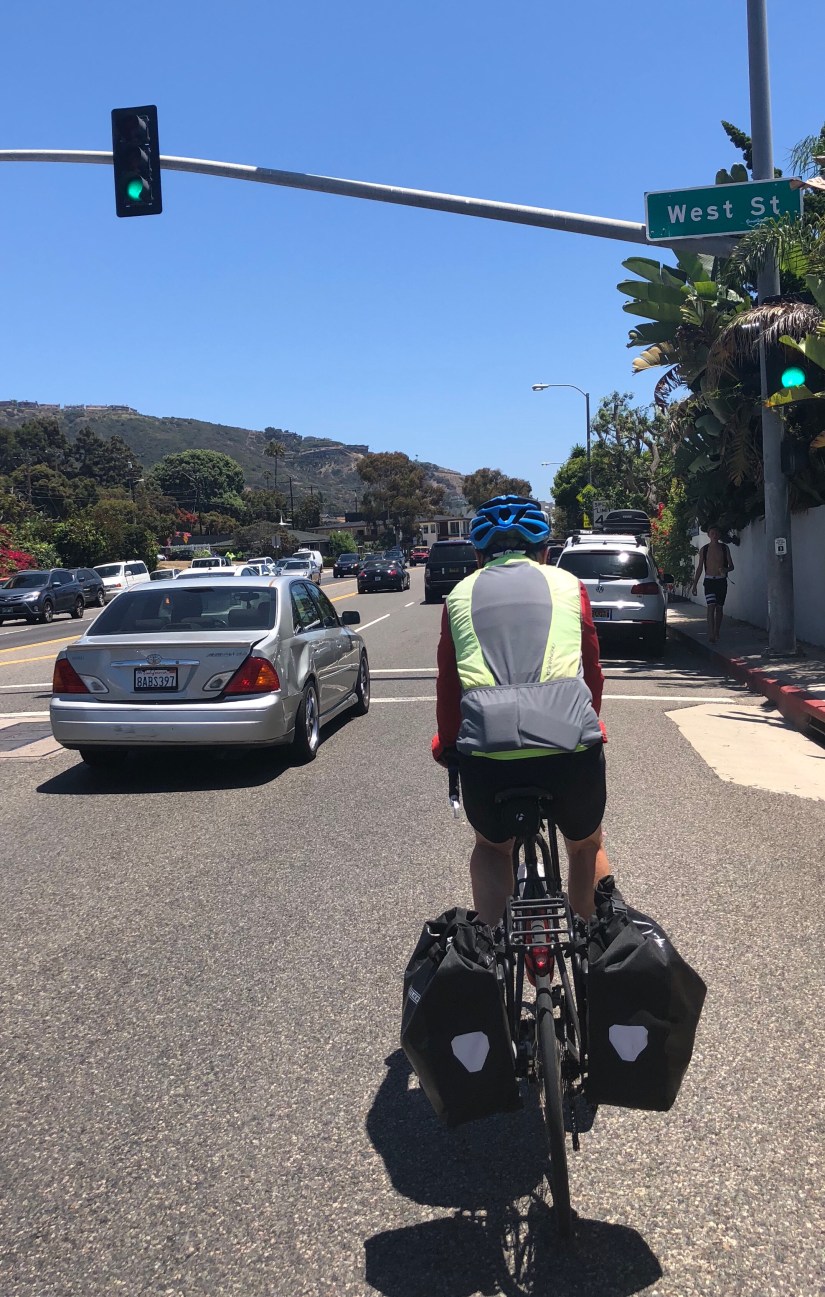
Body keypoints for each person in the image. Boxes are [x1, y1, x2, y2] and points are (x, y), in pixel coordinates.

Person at [431, 495, 611, 929]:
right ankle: (595, 947)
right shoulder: (569, 585)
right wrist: (591, 720)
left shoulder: (459, 595)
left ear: (478, 557)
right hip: (570, 745)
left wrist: (447, 743)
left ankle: (492, 947)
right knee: (585, 845)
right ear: (544, 552)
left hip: (488, 752)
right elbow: (592, 670)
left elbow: (449, 684)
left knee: (492, 849)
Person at [691, 525, 734, 644]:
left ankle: (716, 631)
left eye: (716, 533)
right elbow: (700, 568)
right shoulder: (704, 549)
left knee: (719, 608)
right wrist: (695, 584)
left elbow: (732, 566)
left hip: (721, 581)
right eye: (712, 533)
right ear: (709, 535)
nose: (714, 535)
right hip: (709, 581)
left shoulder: (724, 548)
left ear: (719, 535)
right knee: (711, 606)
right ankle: (711, 634)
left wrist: (725, 569)